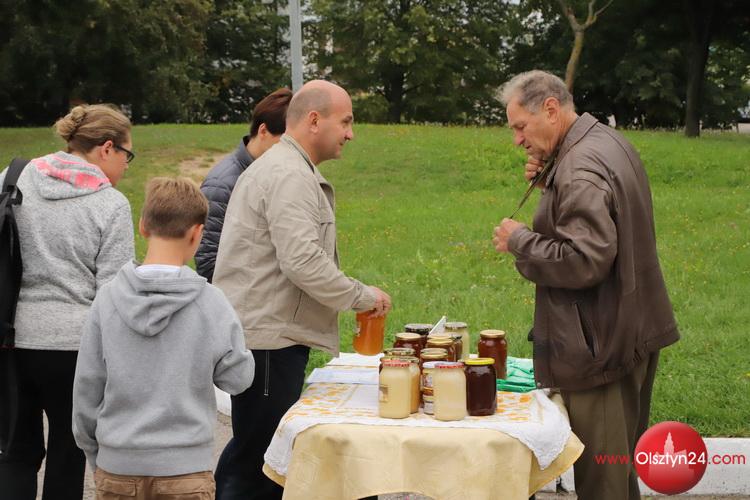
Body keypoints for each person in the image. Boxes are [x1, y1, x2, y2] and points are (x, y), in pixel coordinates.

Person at [492, 70, 680, 500]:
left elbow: (584, 260)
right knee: (617, 471)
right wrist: (551, 178)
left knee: (603, 482)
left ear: (551, 110)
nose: (517, 140)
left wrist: (520, 241)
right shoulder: (603, 142)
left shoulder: (580, 166)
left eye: (521, 127)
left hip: (602, 346)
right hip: (628, 330)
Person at [212, 80, 392, 500]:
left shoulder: (289, 168)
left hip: (270, 338)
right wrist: (363, 297)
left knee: (257, 455)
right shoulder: (288, 174)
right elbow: (302, 261)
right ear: (314, 120)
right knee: (258, 464)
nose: (351, 133)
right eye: (345, 122)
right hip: (268, 342)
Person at [72, 177, 255, 500]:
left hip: (117, 466)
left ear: (142, 226)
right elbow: (238, 379)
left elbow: (87, 388)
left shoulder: (107, 299)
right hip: (185, 470)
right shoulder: (211, 302)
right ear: (197, 233)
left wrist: (96, 456)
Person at [0, 104, 135, 500]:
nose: (126, 166)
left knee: (14, 450)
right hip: (75, 349)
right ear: (106, 148)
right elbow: (113, 293)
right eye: (127, 155)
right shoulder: (110, 205)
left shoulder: (13, 178)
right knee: (68, 450)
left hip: (10, 339)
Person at [196, 87, 293, 282]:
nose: (291, 151)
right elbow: (208, 262)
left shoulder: (277, 174)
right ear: (263, 131)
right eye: (285, 142)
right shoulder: (222, 184)